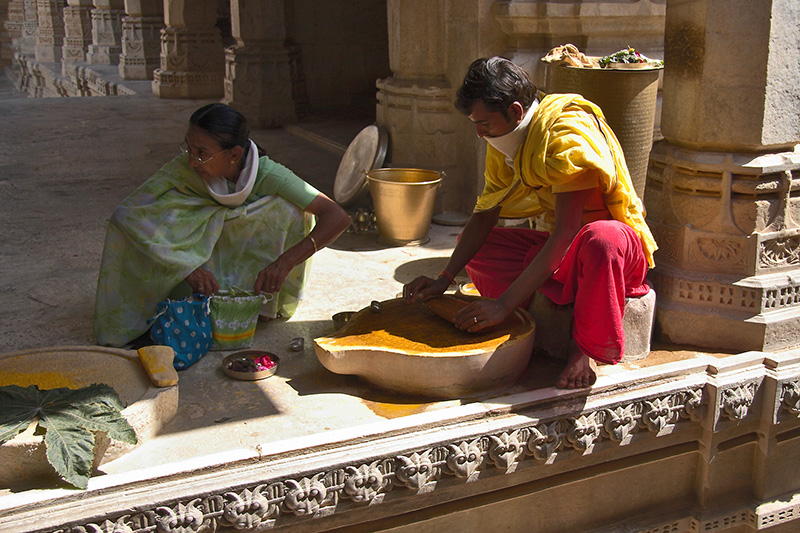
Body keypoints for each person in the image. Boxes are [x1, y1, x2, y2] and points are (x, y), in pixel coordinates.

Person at [403, 57, 657, 389]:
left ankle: (582, 351)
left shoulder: (566, 133)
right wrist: (444, 278)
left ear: (516, 111)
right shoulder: (503, 140)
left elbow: (569, 229)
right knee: (481, 245)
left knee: (599, 240)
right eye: (474, 124)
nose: (479, 133)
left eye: (485, 123)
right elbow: (485, 215)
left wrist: (503, 305)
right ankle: (533, 313)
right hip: (565, 252)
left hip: (614, 253)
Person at [94, 103, 351, 347]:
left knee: (290, 209)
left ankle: (256, 304)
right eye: (189, 149)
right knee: (163, 215)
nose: (192, 161)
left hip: (256, 273)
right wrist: (185, 266)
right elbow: (126, 215)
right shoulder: (183, 169)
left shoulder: (269, 174)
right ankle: (196, 301)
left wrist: (284, 262)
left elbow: (337, 216)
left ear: (234, 155)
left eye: (202, 153)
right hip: (194, 276)